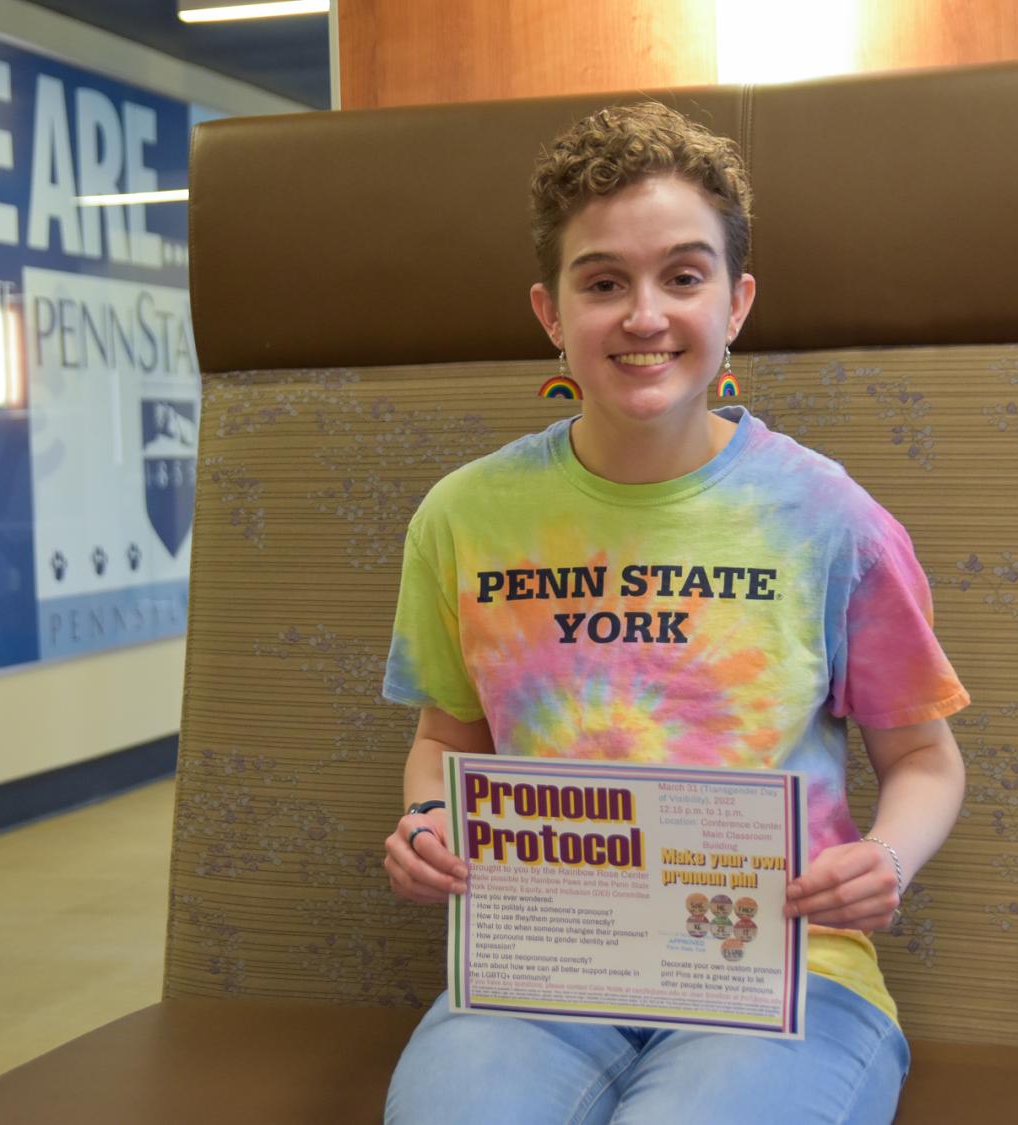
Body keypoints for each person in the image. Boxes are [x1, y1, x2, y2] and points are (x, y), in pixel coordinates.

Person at [379, 101, 969, 1124]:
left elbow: (924, 757)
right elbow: (445, 739)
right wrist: (429, 821)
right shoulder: (462, 518)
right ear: (551, 312)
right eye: (604, 282)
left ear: (736, 302)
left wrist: (886, 859)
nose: (644, 316)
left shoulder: (830, 519)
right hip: (547, 963)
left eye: (683, 277)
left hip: (782, 966)